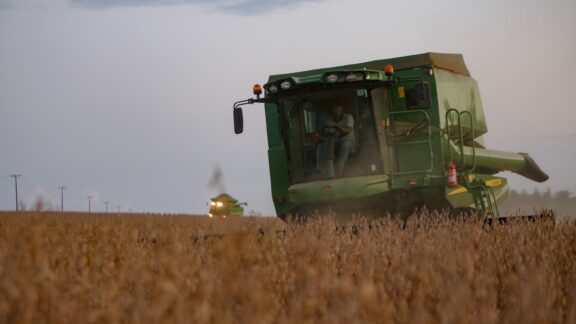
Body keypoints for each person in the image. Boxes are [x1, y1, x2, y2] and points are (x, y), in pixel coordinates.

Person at [315, 104, 355, 177]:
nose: (335, 109)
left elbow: (347, 131)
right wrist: (319, 136)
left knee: (344, 149)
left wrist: (335, 126)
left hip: (347, 142)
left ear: (342, 108)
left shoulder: (348, 117)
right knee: (321, 147)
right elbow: (325, 133)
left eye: (337, 107)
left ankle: (337, 175)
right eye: (333, 107)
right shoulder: (329, 120)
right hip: (334, 143)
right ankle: (321, 171)